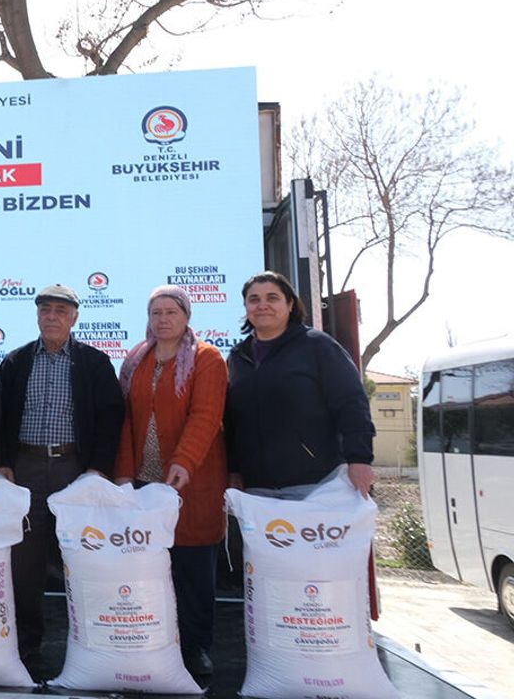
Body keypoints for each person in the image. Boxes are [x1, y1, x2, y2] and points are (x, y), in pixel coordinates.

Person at [0, 284, 124, 665]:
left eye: (61, 311)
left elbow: (110, 420)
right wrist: (3, 462)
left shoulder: (94, 363)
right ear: (37, 316)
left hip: (75, 470)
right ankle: (27, 641)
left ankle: (90, 641)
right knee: (25, 561)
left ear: (74, 318)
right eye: (45, 310)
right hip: (26, 469)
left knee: (83, 558)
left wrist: (97, 470)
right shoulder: (16, 361)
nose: (52, 317)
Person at [113, 285, 228, 677]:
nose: (163, 319)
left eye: (171, 312)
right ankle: (155, 642)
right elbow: (125, 420)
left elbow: (206, 416)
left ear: (186, 316)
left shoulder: (206, 358)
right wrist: (123, 473)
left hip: (189, 484)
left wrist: (184, 461)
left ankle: (196, 648)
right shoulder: (136, 358)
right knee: (151, 572)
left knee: (193, 571)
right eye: (156, 313)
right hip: (144, 486)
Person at [224, 270, 375, 498]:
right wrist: (234, 468)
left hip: (316, 485)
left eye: (272, 298)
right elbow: (232, 421)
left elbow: (351, 404)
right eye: (254, 299)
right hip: (256, 489)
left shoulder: (318, 346)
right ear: (246, 307)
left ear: (290, 304)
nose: (262, 305)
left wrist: (360, 459)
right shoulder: (237, 357)